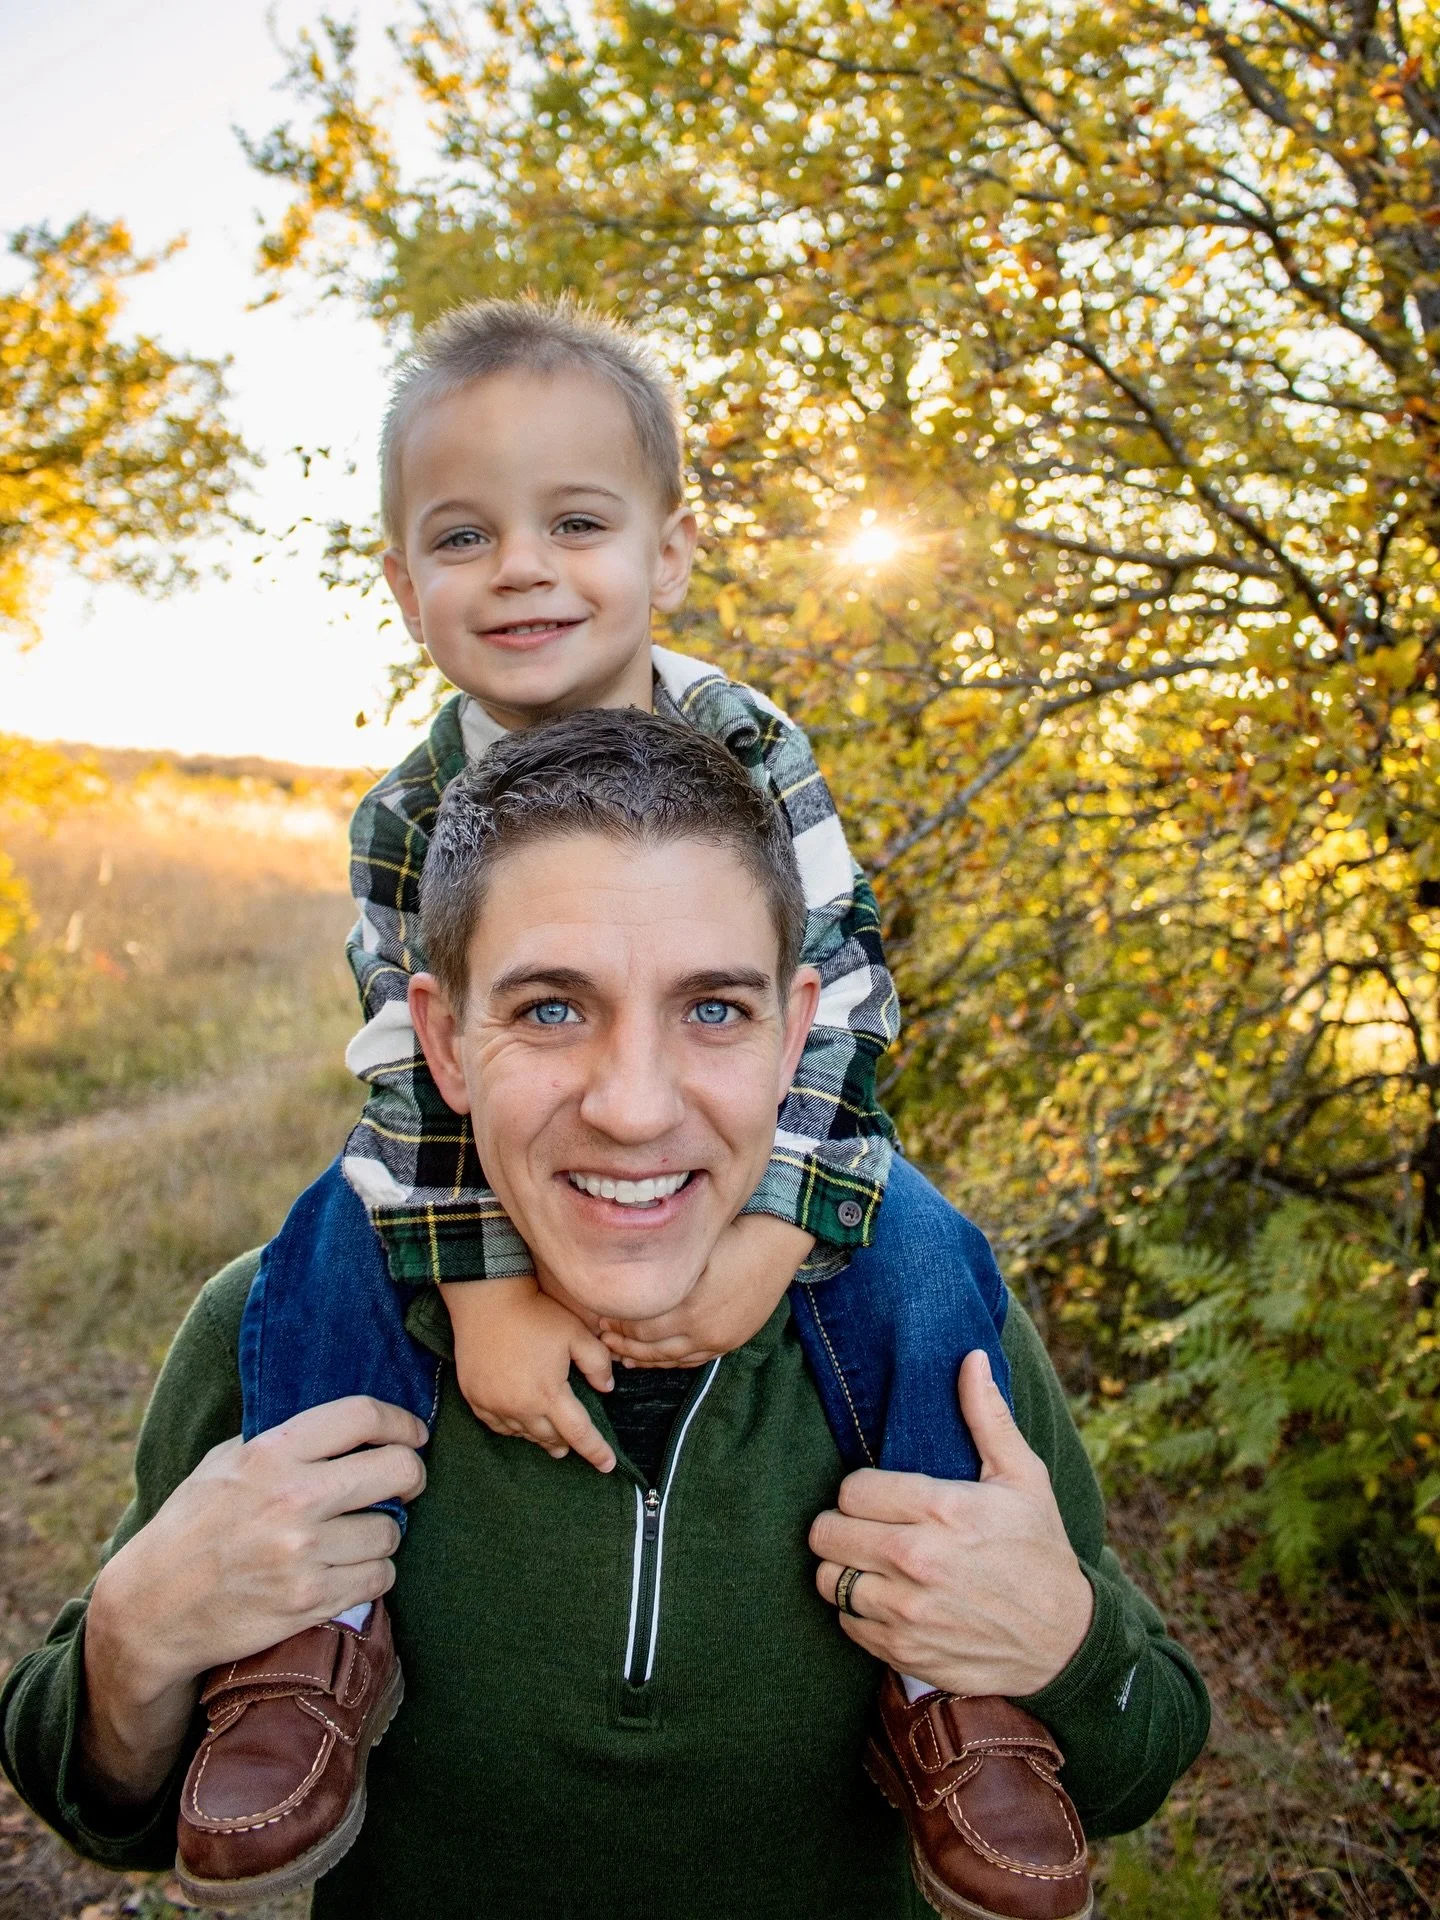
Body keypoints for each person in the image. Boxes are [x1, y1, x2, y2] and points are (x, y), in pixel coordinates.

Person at [0, 711, 1210, 1920]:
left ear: (799, 1035)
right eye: (550, 1010)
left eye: (715, 1012)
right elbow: (102, 1809)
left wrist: (1066, 1645)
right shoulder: (287, 1328)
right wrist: (135, 1638)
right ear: (444, 1043)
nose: (634, 1109)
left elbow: (1138, 1751)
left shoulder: (930, 1340)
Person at [198, 293, 1079, 1912]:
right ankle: (300, 1646)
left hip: (771, 1139)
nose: (523, 565)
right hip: (497, 1178)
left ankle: (958, 1672)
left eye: (577, 522)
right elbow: (408, 1058)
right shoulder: (407, 809)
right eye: (465, 535)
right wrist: (476, 1293)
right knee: (328, 1234)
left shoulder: (744, 742)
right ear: (403, 586)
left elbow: (841, 994)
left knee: (924, 1239)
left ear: (668, 555)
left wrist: (765, 1228)